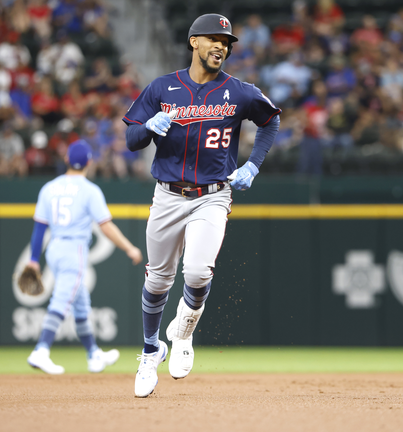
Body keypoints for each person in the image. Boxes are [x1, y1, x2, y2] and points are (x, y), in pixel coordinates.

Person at [122, 14, 281, 398]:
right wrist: (148, 128)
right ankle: (149, 351)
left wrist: (254, 165)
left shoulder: (240, 91)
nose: (221, 46)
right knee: (158, 279)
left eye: (226, 42)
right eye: (214, 38)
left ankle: (184, 334)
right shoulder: (163, 87)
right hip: (167, 194)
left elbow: (271, 121)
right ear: (194, 42)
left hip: (213, 194)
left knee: (195, 272)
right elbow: (131, 139)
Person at [25, 141, 144, 375]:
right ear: (89, 162)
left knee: (80, 302)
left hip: (55, 250)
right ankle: (41, 350)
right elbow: (106, 227)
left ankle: (93, 354)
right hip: (75, 250)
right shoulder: (90, 190)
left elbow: (40, 227)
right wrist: (130, 248)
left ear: (67, 160)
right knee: (61, 300)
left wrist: (33, 259)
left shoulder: (49, 188)